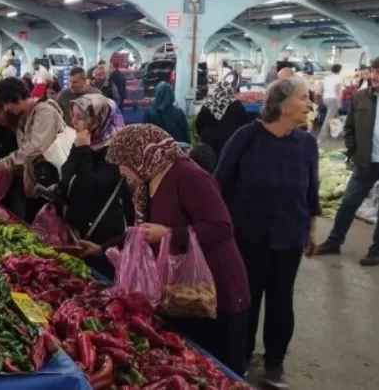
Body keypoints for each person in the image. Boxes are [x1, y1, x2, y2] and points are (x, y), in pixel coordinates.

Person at [85, 124, 250, 377]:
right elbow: (141, 231)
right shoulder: (150, 180)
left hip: (215, 291)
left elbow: (221, 227)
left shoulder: (188, 176)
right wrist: (101, 249)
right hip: (183, 295)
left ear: (142, 154)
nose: (121, 171)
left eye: (123, 163)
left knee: (220, 369)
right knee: (191, 366)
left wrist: (169, 234)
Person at [214, 76, 318, 387]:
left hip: (290, 236)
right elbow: (219, 184)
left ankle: (275, 362)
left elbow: (311, 191)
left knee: (281, 301)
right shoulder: (246, 137)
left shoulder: (307, 143)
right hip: (247, 236)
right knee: (246, 300)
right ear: (282, 105)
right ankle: (240, 358)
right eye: (303, 98)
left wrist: (311, 230)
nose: (310, 104)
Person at [60, 94, 132, 278]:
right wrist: (80, 149)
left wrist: (83, 149)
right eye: (73, 116)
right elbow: (66, 176)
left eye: (79, 117)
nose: (73, 122)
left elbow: (90, 187)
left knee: (100, 281)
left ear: (98, 119)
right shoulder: (86, 142)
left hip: (102, 236)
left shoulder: (117, 150)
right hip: (79, 231)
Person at [317, 57, 379, 265]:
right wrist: (353, 151)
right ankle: (333, 242)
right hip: (365, 162)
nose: (375, 76)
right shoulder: (360, 97)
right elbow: (349, 127)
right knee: (348, 203)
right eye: (374, 71)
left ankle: (376, 250)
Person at [0, 78, 66, 222]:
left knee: (49, 224)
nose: (6, 109)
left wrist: (4, 163)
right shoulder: (23, 118)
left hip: (51, 182)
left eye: (6, 103)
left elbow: (35, 147)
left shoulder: (45, 112)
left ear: (17, 97)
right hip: (34, 184)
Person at [195, 80, 249, 161]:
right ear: (230, 91)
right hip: (230, 143)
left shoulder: (207, 104)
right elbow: (246, 124)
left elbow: (198, 123)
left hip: (208, 143)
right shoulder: (237, 105)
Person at [317, 64, 343, 142]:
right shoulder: (338, 78)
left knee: (336, 116)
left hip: (325, 98)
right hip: (333, 99)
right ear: (339, 70)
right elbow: (337, 91)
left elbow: (321, 89)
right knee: (328, 119)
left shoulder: (327, 78)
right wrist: (339, 102)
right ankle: (321, 137)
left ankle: (340, 132)